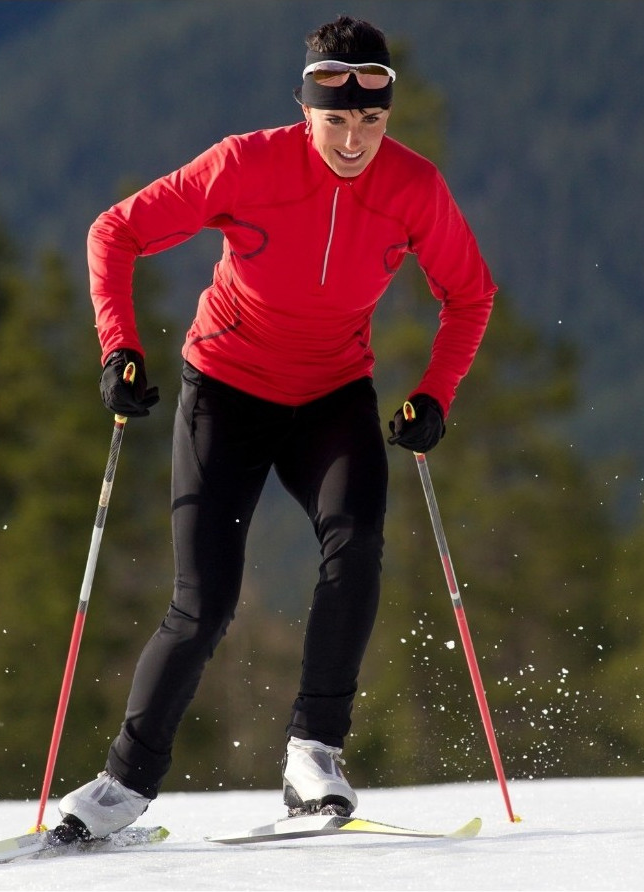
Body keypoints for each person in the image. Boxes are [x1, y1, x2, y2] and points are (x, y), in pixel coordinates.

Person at [57, 15, 496, 840]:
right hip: (224, 391)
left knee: (356, 544)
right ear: (306, 110)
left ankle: (314, 754)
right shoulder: (244, 164)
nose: (356, 138)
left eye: (373, 119)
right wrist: (118, 348)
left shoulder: (414, 188)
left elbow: (469, 294)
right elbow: (113, 232)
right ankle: (122, 787)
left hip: (332, 395)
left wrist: (435, 395)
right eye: (338, 120)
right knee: (205, 602)